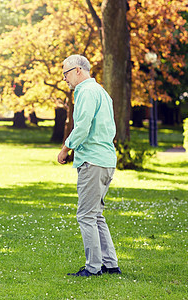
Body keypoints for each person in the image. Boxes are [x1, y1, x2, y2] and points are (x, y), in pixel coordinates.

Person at [57, 54, 122, 277]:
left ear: (77, 70)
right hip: (105, 160)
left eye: (65, 73)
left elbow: (83, 127)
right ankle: (110, 264)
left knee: (86, 215)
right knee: (95, 215)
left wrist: (66, 147)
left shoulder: (85, 91)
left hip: (93, 160)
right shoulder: (102, 92)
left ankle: (93, 268)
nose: (64, 78)